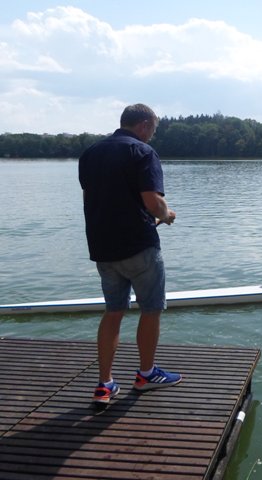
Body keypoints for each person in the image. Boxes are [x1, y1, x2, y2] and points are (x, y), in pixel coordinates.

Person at [79, 103, 182, 405]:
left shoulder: (90, 153)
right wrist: (167, 215)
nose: (152, 135)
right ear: (144, 124)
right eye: (153, 129)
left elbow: (91, 199)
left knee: (113, 312)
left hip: (102, 247)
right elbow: (153, 202)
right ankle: (146, 374)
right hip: (138, 246)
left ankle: (104, 384)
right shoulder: (143, 152)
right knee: (151, 309)